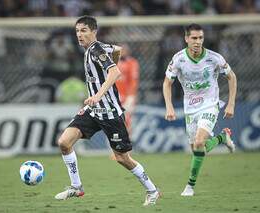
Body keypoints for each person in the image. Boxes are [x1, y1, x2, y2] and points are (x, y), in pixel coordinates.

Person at [55, 15, 160, 206]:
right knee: (64, 142)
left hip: (110, 112)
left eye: (84, 31)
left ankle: (152, 190)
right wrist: (95, 98)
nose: (79, 35)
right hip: (93, 111)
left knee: (122, 158)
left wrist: (97, 95)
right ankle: (77, 187)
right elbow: (117, 50)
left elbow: (115, 72)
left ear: (94, 32)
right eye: (77, 31)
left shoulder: (96, 50)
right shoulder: (97, 48)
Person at [163, 23, 237, 196]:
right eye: (194, 38)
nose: (197, 41)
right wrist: (169, 105)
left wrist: (231, 103)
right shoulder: (179, 59)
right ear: (186, 39)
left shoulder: (214, 58)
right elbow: (167, 83)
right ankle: (221, 138)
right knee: (198, 149)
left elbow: (231, 77)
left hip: (210, 104)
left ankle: (190, 186)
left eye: (200, 38)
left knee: (198, 142)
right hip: (190, 108)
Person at [115, 44, 139, 134]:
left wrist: (131, 96)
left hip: (127, 95)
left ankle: (127, 142)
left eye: (124, 50)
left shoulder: (132, 62)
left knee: (127, 118)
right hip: (116, 95)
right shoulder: (113, 62)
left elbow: (134, 80)